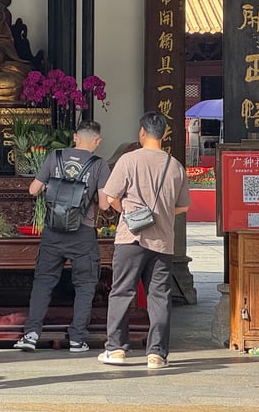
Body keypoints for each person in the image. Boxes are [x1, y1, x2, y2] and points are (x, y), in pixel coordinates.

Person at [99, 111, 189, 369]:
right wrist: (160, 211)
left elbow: (109, 197)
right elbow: (183, 207)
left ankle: (116, 349)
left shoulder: (128, 160)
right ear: (164, 134)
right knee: (159, 296)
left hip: (131, 237)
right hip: (162, 241)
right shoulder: (175, 166)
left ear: (141, 133)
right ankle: (157, 354)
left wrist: (126, 211)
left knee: (122, 292)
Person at [14, 120, 110, 353]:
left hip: (53, 231)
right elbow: (106, 205)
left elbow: (33, 190)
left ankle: (31, 334)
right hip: (83, 233)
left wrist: (51, 187)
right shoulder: (99, 165)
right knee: (86, 285)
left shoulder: (54, 156)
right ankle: (77, 338)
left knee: (43, 281)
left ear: (75, 137)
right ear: (97, 141)